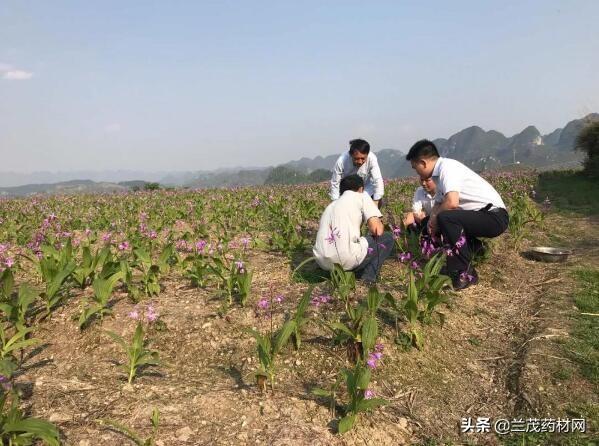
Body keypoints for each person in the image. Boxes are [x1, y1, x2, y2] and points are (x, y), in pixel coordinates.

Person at [406, 139, 509, 290]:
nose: (417, 173)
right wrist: (430, 223)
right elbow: (438, 205)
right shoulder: (438, 176)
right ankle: (475, 249)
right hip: (482, 216)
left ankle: (462, 274)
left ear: (423, 163)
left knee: (445, 217)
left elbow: (452, 202)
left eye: (415, 168)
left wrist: (435, 220)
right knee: (434, 219)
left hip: (494, 217)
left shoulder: (447, 167)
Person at [314, 174, 394, 283]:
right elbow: (377, 230)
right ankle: (368, 277)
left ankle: (340, 273)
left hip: (322, 261)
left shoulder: (331, 205)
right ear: (361, 188)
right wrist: (377, 217)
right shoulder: (361, 196)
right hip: (345, 259)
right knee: (388, 238)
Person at [330, 139, 385, 208]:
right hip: (348, 190)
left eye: (363, 158)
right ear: (350, 155)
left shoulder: (372, 158)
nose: (360, 162)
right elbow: (335, 183)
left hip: (367, 189)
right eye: (356, 158)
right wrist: (335, 203)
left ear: (367, 155)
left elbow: (377, 179)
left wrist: (376, 202)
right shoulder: (342, 161)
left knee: (375, 203)